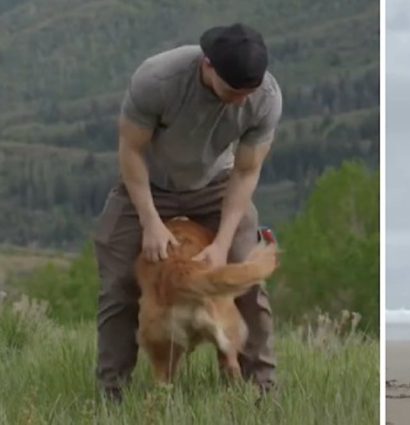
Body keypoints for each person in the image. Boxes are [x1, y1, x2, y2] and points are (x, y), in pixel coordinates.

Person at [93, 22, 283, 401]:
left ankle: (263, 391)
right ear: (208, 66)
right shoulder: (158, 79)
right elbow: (130, 150)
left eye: (250, 92)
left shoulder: (266, 97)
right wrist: (149, 222)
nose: (243, 101)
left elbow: (246, 171)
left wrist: (222, 244)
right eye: (234, 92)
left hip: (216, 187)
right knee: (118, 285)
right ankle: (111, 395)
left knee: (247, 281)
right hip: (148, 188)